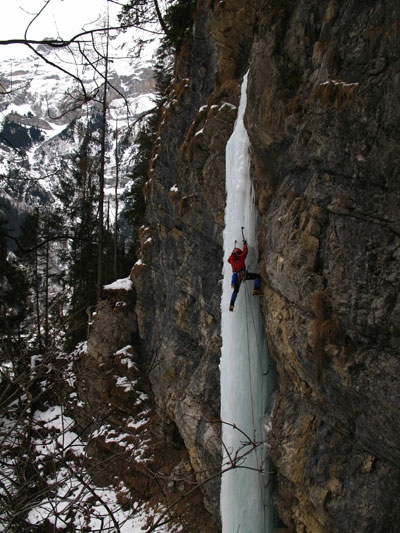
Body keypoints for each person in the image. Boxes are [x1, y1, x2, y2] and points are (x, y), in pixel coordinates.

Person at [227, 240, 263, 311]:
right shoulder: (241, 257)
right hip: (242, 275)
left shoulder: (231, 259)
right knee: (256, 276)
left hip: (235, 278)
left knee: (235, 291)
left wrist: (232, 253)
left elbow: (228, 260)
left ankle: (231, 305)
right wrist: (245, 244)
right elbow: (245, 251)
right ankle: (256, 290)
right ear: (239, 253)